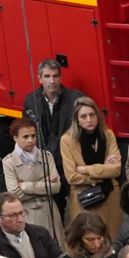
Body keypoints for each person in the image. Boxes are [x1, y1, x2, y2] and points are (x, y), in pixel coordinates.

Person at [61, 96, 124, 237]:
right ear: (77, 120)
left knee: (112, 241)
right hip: (84, 199)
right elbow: (72, 177)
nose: (89, 120)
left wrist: (86, 170)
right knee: (89, 241)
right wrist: (103, 170)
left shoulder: (108, 135)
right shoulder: (67, 140)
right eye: (83, 116)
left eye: (92, 115)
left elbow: (116, 169)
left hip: (110, 198)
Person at [22, 59, 85, 196]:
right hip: (47, 167)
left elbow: (88, 130)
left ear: (60, 77)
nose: (52, 81)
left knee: (80, 207)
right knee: (56, 210)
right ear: (39, 78)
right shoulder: (30, 101)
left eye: (55, 76)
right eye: (47, 76)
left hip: (71, 165)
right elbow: (26, 133)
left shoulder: (76, 99)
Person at [3, 118, 66, 247]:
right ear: (15, 138)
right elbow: (14, 194)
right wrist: (43, 184)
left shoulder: (46, 156)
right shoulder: (9, 162)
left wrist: (25, 186)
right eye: (25, 137)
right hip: (27, 214)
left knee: (56, 248)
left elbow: (56, 187)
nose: (30, 140)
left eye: (33, 135)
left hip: (49, 212)